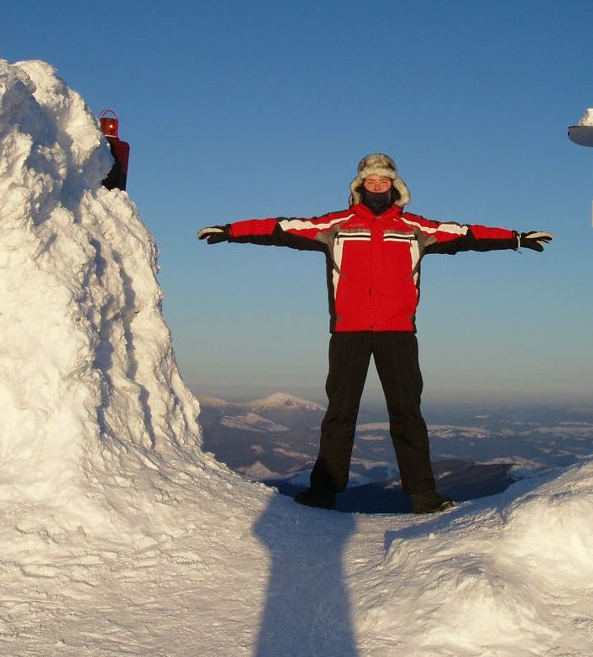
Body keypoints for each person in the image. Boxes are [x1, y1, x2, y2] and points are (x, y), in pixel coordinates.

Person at [197, 154, 552, 514]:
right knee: (340, 413)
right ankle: (323, 493)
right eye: (371, 181)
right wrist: (230, 231)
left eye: (384, 181)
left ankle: (425, 497)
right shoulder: (336, 225)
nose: (378, 186)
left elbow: (467, 234)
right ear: (360, 186)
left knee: (407, 413)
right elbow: (281, 229)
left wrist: (516, 239)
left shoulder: (414, 228)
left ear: (395, 185)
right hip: (348, 331)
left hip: (398, 332)